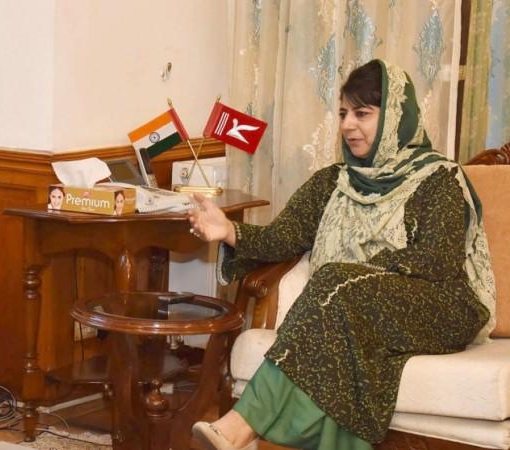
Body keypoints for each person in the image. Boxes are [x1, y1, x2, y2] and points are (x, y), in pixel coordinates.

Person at [186, 59, 494, 450]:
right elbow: (282, 238)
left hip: (440, 306)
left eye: (362, 114)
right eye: (344, 113)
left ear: (394, 118)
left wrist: (356, 278)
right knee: (338, 294)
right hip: (354, 307)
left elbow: (436, 261)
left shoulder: (439, 178)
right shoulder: (333, 181)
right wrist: (228, 230)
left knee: (335, 281)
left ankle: (239, 427)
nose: (348, 124)